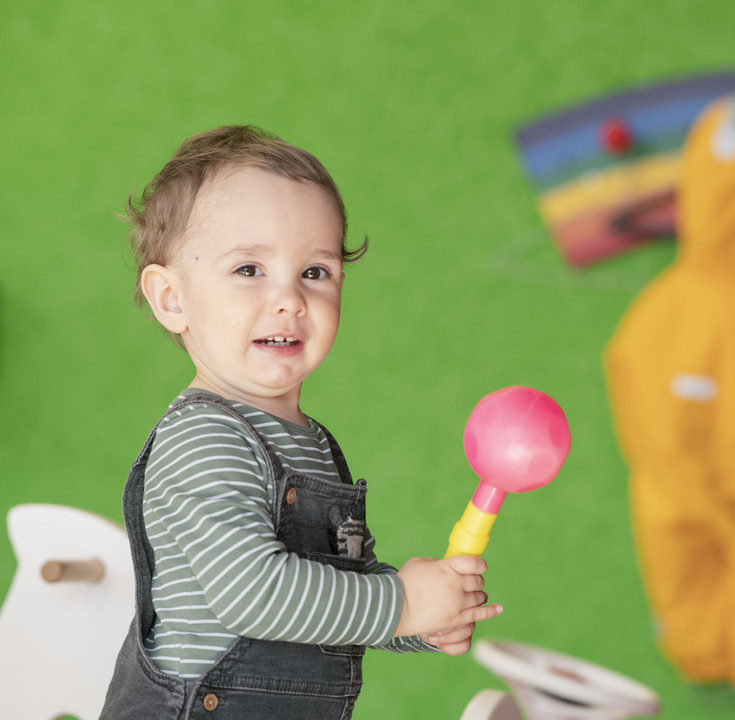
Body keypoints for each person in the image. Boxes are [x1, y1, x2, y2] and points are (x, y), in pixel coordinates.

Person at [100, 125, 502, 719]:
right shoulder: (204, 437)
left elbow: (332, 588)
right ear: (171, 299)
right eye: (248, 270)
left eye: (315, 272)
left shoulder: (309, 442)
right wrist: (401, 603)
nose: (289, 298)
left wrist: (421, 619)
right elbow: (255, 593)